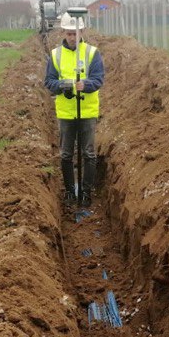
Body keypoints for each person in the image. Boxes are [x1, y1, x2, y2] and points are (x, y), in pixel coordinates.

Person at [44, 12, 104, 206]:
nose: (72, 37)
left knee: (88, 153)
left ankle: (86, 192)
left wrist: (84, 85)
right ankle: (70, 191)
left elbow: (98, 79)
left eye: (75, 33)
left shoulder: (92, 53)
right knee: (66, 154)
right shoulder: (55, 55)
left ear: (82, 31)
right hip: (66, 113)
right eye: (69, 33)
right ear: (63, 32)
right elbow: (49, 81)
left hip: (86, 111)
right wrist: (63, 85)